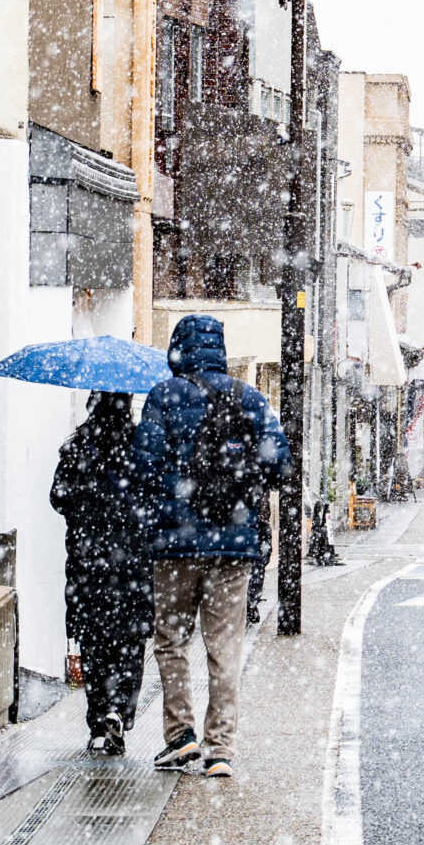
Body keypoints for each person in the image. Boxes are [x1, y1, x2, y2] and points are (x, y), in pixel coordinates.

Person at [134, 315, 290, 779]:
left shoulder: (163, 397)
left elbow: (143, 470)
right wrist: (240, 486)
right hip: (233, 545)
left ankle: (181, 737)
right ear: (220, 349)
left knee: (171, 641)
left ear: (178, 349)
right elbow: (280, 467)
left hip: (174, 547)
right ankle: (221, 748)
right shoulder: (250, 398)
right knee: (225, 647)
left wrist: (174, 498)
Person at [49, 392, 152, 757]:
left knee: (95, 643)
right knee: (129, 644)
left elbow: (58, 498)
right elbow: (155, 502)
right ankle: (120, 711)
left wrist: (87, 508)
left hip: (88, 564)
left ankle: (97, 721)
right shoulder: (142, 450)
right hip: (132, 568)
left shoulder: (76, 449)